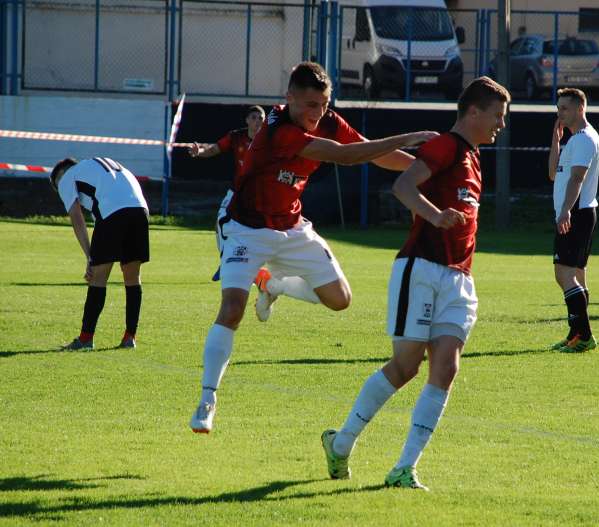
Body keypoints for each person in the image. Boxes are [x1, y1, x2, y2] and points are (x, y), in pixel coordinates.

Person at [188, 62, 436, 434]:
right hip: (246, 228)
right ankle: (207, 399)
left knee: (340, 299)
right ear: (288, 98)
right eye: (308, 104)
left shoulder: (327, 119)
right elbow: (347, 156)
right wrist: (406, 137)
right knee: (232, 309)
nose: (316, 113)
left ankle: (273, 285)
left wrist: (427, 173)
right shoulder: (279, 131)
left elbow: (369, 151)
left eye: (322, 104)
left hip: (292, 226)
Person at [320, 76, 510, 491]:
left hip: (460, 279)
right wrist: (434, 214)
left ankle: (404, 467)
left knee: (446, 367)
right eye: (497, 115)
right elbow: (402, 185)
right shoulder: (445, 145)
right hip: (421, 268)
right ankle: (342, 442)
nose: (502, 124)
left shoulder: (475, 158)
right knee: (406, 367)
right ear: (473, 112)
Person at [49, 157, 150, 350]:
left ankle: (86, 339)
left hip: (113, 212)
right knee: (132, 277)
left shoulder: (66, 178)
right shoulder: (95, 168)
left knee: (98, 278)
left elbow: (76, 217)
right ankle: (130, 337)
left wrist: (90, 256)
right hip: (140, 210)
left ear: (59, 177)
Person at [547, 88, 599, 353]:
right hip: (580, 212)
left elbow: (577, 178)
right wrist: (556, 141)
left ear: (580, 108)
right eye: (558, 109)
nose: (560, 113)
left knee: (564, 274)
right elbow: (553, 175)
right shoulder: (574, 139)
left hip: (576, 213)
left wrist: (566, 211)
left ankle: (583, 335)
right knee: (576, 275)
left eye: (565, 108)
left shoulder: (583, 139)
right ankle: (576, 335)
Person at [189, 105, 266, 282]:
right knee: (220, 222)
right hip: (237, 192)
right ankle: (225, 262)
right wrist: (199, 152)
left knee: (256, 231)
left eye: (260, 118)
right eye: (254, 117)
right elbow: (215, 149)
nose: (257, 121)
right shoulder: (236, 136)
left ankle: (254, 270)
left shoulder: (268, 140)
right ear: (247, 120)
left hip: (259, 194)